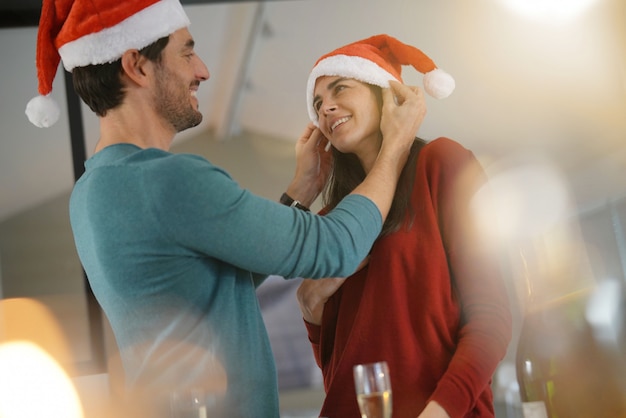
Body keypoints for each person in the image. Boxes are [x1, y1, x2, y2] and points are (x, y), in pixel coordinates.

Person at [24, 2, 426, 417]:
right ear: (137, 66)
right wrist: (395, 147)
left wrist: (299, 191)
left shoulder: (92, 191)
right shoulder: (168, 180)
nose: (203, 70)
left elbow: (216, 284)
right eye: (186, 53)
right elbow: (335, 247)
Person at [296, 34, 513, 418]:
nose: (325, 107)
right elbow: (337, 364)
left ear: (384, 91)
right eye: (317, 103)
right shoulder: (334, 220)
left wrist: (439, 411)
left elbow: (491, 317)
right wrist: (311, 313)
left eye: (339, 88)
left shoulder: (442, 163)